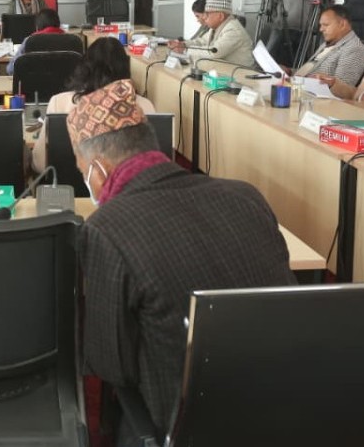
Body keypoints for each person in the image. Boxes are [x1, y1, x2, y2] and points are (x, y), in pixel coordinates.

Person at [68, 79, 295, 445]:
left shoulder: (107, 229)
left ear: (98, 168)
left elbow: (111, 364)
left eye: (82, 170)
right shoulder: (246, 196)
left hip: (183, 426)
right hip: (289, 409)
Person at [32, 37, 155, 171]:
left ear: (85, 66)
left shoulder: (58, 102)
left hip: (65, 183)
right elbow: (153, 163)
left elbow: (40, 163)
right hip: (129, 184)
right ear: (126, 68)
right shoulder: (144, 106)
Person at [167, 0, 255, 67]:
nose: (204, 17)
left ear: (220, 16)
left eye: (207, 14)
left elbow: (213, 52)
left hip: (242, 75)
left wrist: (185, 50)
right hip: (224, 70)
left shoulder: (233, 30)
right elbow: (202, 42)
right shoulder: (217, 27)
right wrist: (183, 44)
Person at [293, 5, 364, 87]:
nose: (321, 29)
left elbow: (342, 88)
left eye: (325, 25)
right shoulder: (328, 43)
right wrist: (291, 72)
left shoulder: (354, 49)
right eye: (321, 25)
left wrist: (304, 81)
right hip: (298, 84)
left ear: (342, 24)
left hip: (310, 92)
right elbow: (309, 72)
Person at [5, 8, 65, 75]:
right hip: (64, 81)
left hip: (34, 81)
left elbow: (11, 69)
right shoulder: (70, 40)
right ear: (59, 25)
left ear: (37, 27)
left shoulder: (30, 41)